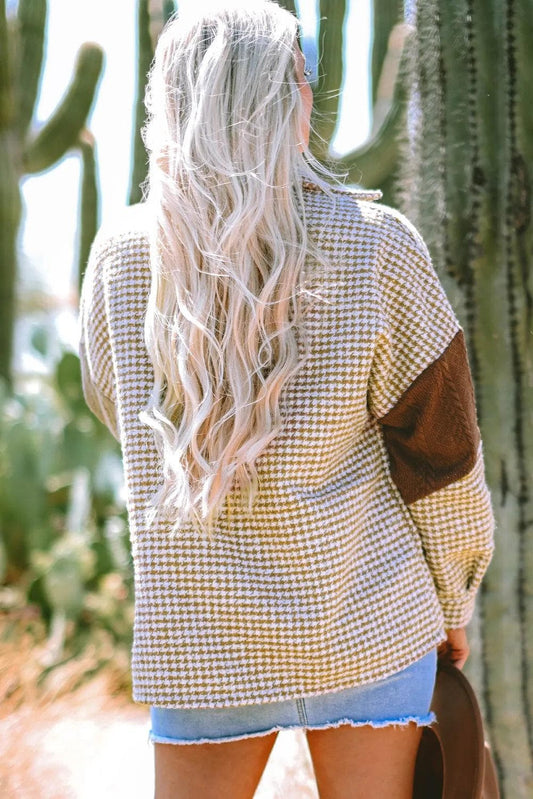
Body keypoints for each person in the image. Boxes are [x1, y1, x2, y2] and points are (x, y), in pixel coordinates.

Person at [78, 2, 495, 797]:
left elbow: (118, 406)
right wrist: (454, 593)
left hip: (201, 632)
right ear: (288, 98)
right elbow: (442, 452)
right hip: (369, 623)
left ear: (170, 102)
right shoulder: (376, 241)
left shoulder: (120, 255)